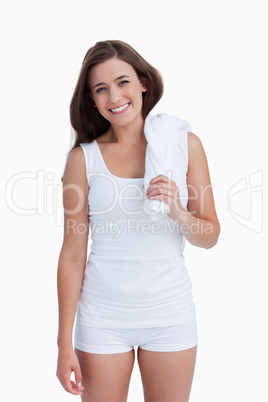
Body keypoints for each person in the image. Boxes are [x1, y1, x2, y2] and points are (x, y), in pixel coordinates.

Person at [56, 39, 220, 401]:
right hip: (102, 321)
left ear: (143, 83)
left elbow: (210, 235)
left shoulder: (183, 145)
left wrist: (178, 210)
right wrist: (63, 343)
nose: (114, 96)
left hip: (170, 315)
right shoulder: (83, 161)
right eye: (101, 89)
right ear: (92, 100)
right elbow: (71, 255)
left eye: (122, 81)